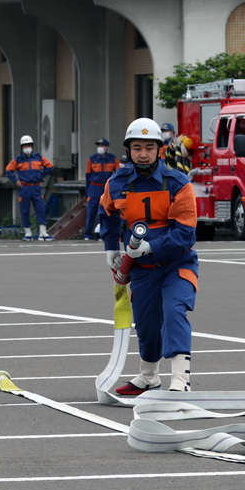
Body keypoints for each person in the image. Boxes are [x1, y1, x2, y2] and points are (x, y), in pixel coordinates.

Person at [99, 118, 198, 394]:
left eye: (149, 147)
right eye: (137, 147)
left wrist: (151, 246)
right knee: (145, 321)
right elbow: (105, 213)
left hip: (177, 263)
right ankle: (149, 376)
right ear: (128, 150)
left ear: (160, 149)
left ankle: (180, 381)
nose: (143, 153)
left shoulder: (177, 182)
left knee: (174, 310)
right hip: (141, 269)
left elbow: (186, 234)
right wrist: (110, 247)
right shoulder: (116, 182)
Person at [5, 135, 54, 241]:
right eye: (25, 146)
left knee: (40, 209)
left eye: (29, 145)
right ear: (22, 148)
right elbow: (8, 171)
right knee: (24, 210)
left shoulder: (38, 157)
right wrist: (16, 181)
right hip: (24, 187)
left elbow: (49, 166)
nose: (27, 148)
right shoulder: (17, 160)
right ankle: (28, 233)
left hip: (36, 187)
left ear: (32, 146)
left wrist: (41, 176)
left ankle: (43, 233)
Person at [83, 138, 118, 240]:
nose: (100, 148)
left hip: (105, 188)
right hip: (94, 187)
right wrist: (87, 191)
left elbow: (118, 172)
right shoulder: (92, 158)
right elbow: (87, 176)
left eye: (102, 146)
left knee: (103, 212)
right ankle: (88, 234)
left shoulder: (112, 159)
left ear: (107, 148)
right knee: (90, 211)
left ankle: (101, 234)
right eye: (99, 146)